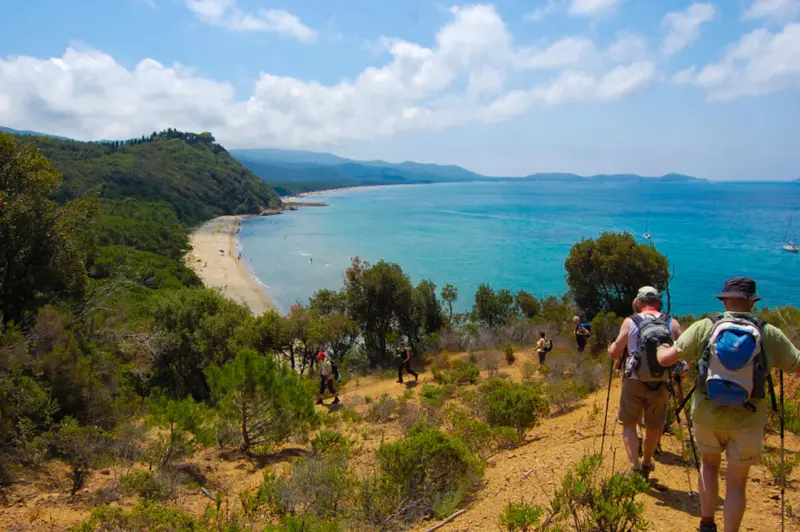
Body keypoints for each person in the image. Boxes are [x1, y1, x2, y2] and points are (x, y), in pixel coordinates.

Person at [658, 277, 800, 532]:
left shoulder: (704, 327)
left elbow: (667, 359)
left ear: (724, 300)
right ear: (752, 303)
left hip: (707, 414)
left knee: (709, 465)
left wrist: (662, 348)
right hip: (748, 419)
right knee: (737, 483)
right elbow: (796, 365)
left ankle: (707, 523)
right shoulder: (767, 332)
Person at [608, 287, 682, 480]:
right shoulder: (671, 323)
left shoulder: (630, 322)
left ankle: (634, 468)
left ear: (639, 303)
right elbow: (683, 354)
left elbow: (615, 352)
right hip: (661, 382)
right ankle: (647, 462)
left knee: (629, 424)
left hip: (634, 380)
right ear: (658, 302)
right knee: (654, 426)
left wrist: (611, 348)